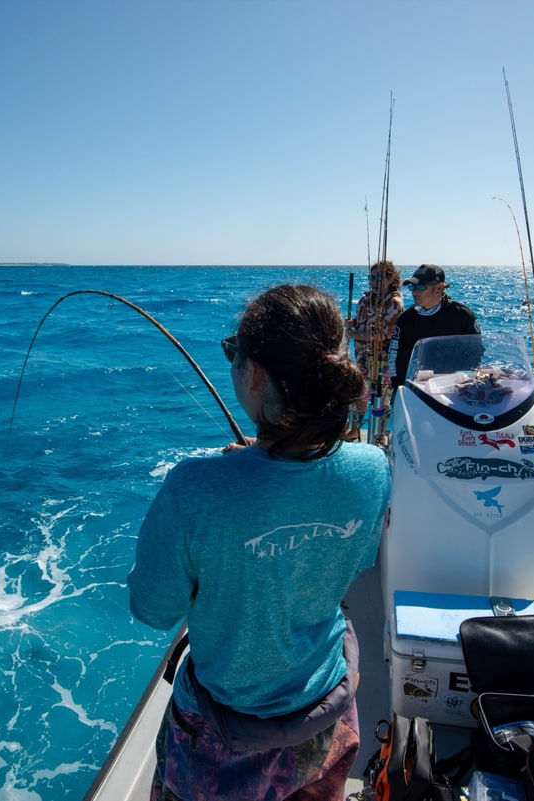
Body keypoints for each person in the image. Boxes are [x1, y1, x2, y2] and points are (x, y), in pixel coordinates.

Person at [128, 284, 391, 801]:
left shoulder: (193, 489)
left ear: (253, 374)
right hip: (325, 720)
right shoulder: (373, 470)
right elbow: (354, 563)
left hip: (221, 740)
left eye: (234, 352)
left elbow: (153, 609)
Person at [387, 264, 481, 388]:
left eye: (420, 286)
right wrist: (400, 387)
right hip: (417, 388)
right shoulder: (406, 319)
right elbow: (395, 357)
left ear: (439, 288)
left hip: (455, 387)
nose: (415, 291)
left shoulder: (463, 316)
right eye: (412, 287)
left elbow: (475, 354)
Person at [345, 260, 403, 439]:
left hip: (383, 358)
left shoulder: (393, 303)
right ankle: (354, 430)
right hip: (363, 356)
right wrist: (352, 324)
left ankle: (379, 434)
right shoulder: (365, 299)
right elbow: (361, 321)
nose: (373, 281)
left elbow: (382, 334)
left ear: (390, 279)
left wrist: (354, 335)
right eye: (371, 277)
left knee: (382, 398)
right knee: (359, 394)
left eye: (378, 277)